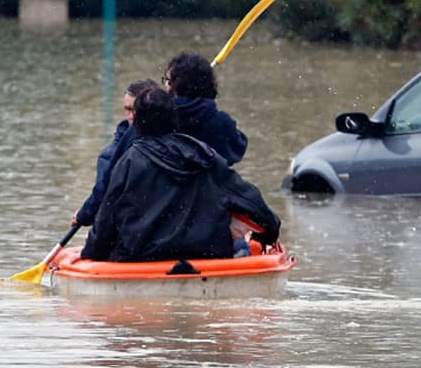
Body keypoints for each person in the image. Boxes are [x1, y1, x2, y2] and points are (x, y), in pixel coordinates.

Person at [84, 86, 280, 263]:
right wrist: (270, 232)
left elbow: (106, 219)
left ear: (138, 123)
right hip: (205, 255)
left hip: (140, 257)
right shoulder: (203, 155)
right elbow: (249, 200)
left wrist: (90, 255)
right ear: (173, 118)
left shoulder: (127, 162)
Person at [72, 78, 159, 228]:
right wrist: (85, 213)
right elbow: (103, 189)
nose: (131, 116)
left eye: (135, 109)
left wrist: (85, 214)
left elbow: (105, 189)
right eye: (127, 109)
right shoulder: (114, 150)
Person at [164, 51, 248, 166]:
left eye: (168, 80)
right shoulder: (221, 123)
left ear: (177, 85)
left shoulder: (154, 120)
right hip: (212, 183)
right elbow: (238, 147)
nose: (165, 85)